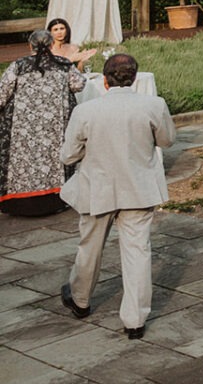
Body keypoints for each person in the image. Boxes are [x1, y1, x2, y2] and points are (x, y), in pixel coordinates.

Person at [58, 52, 174, 341]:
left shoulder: (86, 111)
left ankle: (81, 299)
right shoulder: (153, 105)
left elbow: (68, 155)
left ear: (105, 81)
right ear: (134, 78)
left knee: (90, 248)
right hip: (138, 187)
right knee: (137, 253)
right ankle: (134, 320)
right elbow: (167, 140)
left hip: (98, 187)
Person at [0, 30, 88, 216]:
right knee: (53, 160)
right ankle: (54, 201)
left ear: (29, 46)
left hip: (22, 127)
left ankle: (20, 203)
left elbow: (2, 93)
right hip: (54, 126)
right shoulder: (63, 65)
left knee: (23, 162)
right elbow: (79, 84)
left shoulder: (19, 65)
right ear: (50, 45)